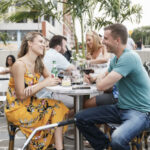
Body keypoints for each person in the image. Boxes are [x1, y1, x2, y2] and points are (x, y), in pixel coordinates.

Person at [75, 24, 150, 150]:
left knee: (118, 138)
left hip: (140, 112)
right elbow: (103, 76)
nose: (103, 42)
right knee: (80, 118)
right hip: (121, 108)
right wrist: (92, 78)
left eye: (105, 38)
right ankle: (105, 147)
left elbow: (101, 85)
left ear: (117, 40)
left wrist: (98, 79)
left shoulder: (129, 57)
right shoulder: (116, 58)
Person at [5, 32, 69, 150]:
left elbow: (52, 79)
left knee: (58, 106)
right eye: (40, 42)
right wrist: (43, 83)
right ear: (30, 43)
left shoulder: (39, 63)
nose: (44, 45)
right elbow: (21, 95)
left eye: (45, 43)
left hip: (32, 103)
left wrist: (41, 84)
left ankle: (59, 148)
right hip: (17, 108)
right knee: (51, 111)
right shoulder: (19, 65)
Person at [36, 35, 75, 109]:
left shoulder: (45, 54)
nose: (66, 50)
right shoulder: (56, 55)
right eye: (65, 46)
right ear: (58, 47)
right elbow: (73, 69)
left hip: (38, 94)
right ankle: (66, 119)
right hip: (48, 95)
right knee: (78, 103)